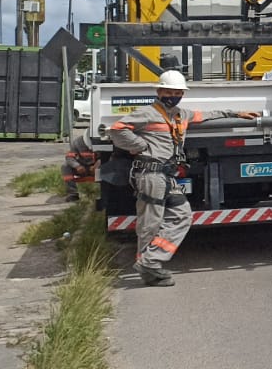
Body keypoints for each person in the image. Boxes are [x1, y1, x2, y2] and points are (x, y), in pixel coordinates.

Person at [108, 71, 257, 287]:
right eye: (169, 91)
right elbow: (117, 129)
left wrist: (236, 113)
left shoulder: (181, 114)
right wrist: (140, 146)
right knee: (150, 223)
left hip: (167, 175)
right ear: (159, 91)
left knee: (182, 215)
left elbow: (207, 114)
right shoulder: (148, 113)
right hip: (150, 174)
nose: (174, 95)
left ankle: (150, 261)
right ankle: (150, 271)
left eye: (178, 92)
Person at [61, 132, 97, 201]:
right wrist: (77, 166)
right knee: (65, 166)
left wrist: (97, 166)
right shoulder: (77, 142)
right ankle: (72, 193)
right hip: (82, 168)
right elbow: (69, 157)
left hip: (98, 168)